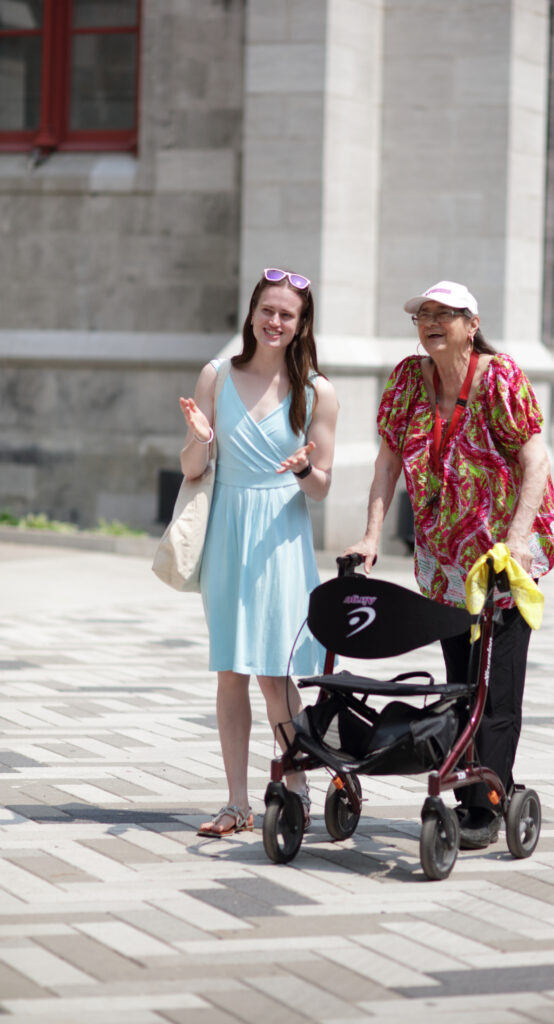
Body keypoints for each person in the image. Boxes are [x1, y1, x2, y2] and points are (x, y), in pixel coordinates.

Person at [346, 280, 554, 849]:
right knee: (461, 682)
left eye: (447, 313)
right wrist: (371, 536)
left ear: (472, 325)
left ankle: (487, 801)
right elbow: (388, 461)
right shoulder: (407, 380)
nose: (431, 321)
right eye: (423, 313)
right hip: (445, 561)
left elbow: (535, 456)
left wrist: (517, 540)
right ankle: (475, 786)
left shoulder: (500, 375)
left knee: (497, 683)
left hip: (502, 555)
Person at [179, 268, 339, 837]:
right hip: (228, 533)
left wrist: (304, 470)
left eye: (287, 315)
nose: (275, 321)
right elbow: (194, 470)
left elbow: (322, 488)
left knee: (275, 673)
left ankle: (297, 788)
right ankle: (236, 802)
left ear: (300, 326)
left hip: (280, 538)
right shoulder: (216, 377)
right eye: (267, 311)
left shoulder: (318, 390)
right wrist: (200, 437)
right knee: (229, 671)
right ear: (251, 314)